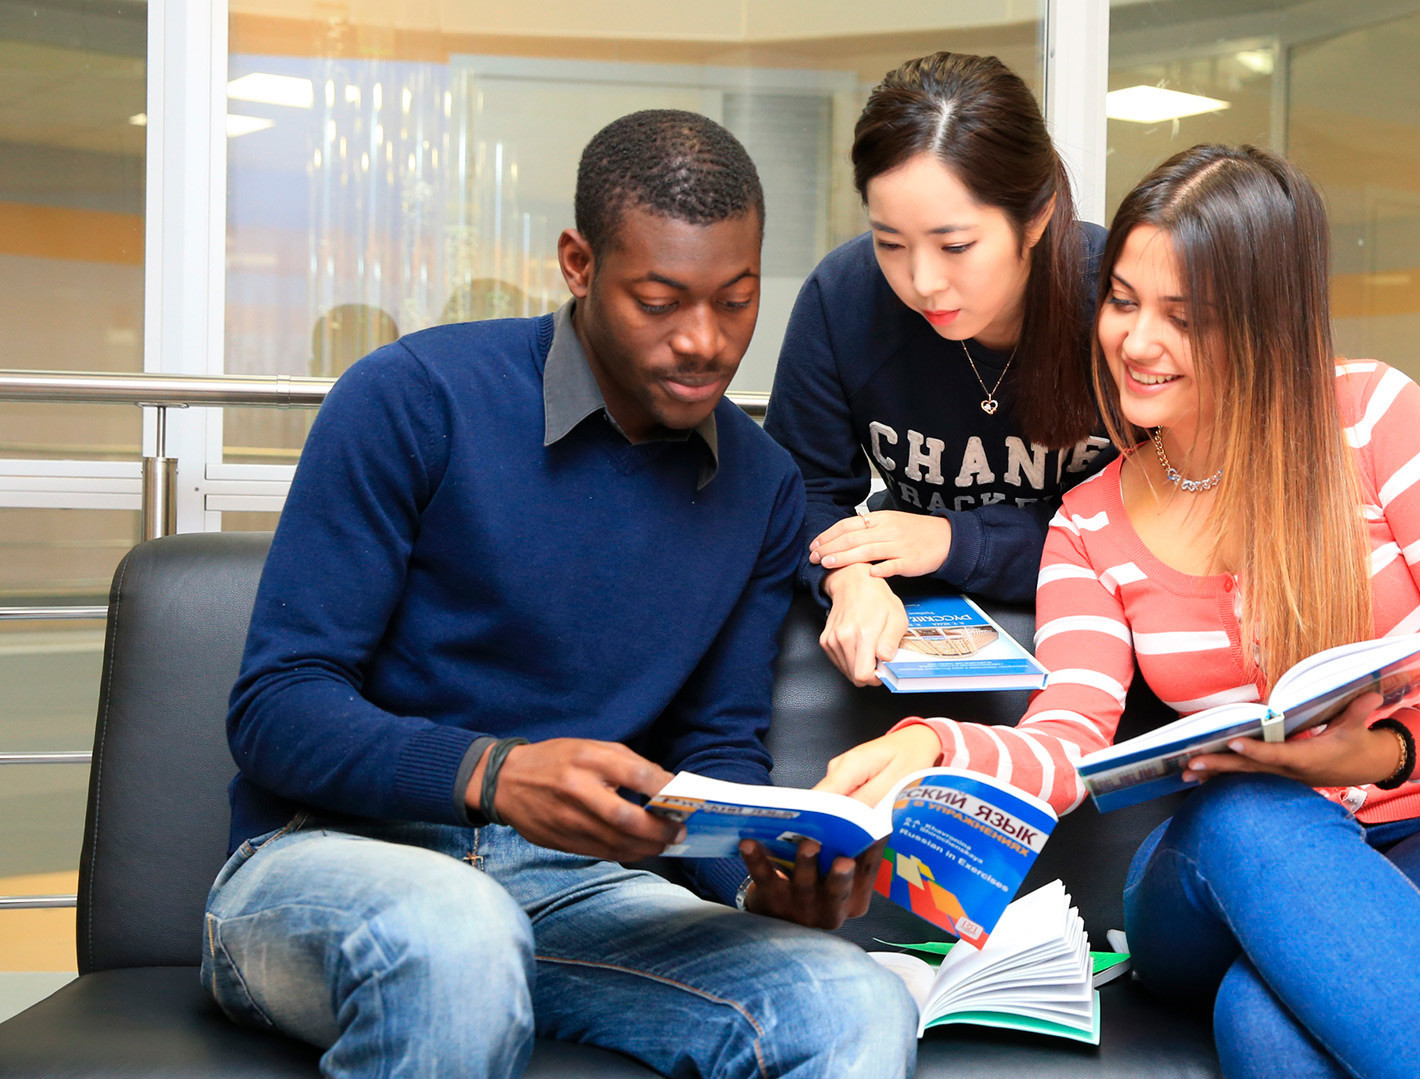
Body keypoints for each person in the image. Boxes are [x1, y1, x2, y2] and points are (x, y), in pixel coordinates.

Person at [818, 145, 1420, 1077]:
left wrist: (1387, 752)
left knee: (1267, 1028)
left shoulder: (1377, 421)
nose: (1137, 341)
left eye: (1185, 317)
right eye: (1121, 301)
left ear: (1267, 322)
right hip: (1228, 874)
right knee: (1247, 809)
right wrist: (938, 744)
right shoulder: (1087, 520)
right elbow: (1070, 732)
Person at [206, 110, 915, 1079]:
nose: (705, 341)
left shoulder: (764, 488)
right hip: (326, 863)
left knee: (851, 999)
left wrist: (763, 881)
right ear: (579, 264)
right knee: (457, 935)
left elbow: (716, 748)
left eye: (736, 300)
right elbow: (276, 708)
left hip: (578, 895)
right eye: (659, 299)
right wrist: (495, 774)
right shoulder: (411, 398)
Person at [764, 52, 1114, 687]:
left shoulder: (1120, 301)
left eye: (956, 246)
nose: (922, 282)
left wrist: (955, 540)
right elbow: (802, 490)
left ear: (1035, 218)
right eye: (890, 243)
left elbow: (1171, 516)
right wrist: (845, 579)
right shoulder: (843, 298)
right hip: (921, 604)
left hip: (1099, 611)